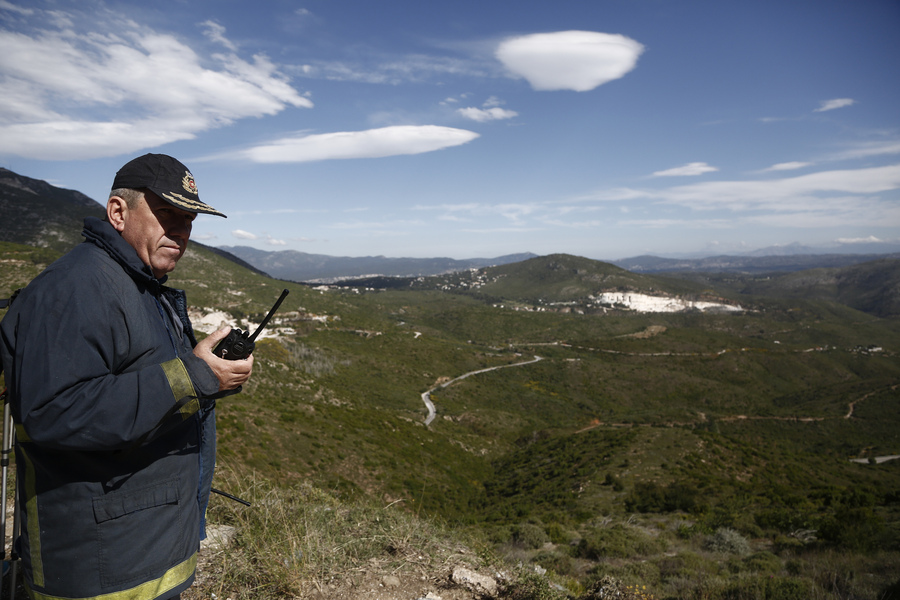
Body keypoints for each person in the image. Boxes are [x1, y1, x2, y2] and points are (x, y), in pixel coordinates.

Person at [0, 154, 253, 600]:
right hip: (100, 568)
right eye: (168, 215)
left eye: (189, 219)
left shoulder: (141, 284)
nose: (181, 231)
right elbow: (55, 412)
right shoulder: (74, 288)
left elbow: (143, 387)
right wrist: (194, 378)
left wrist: (208, 374)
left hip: (141, 552)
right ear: (118, 212)